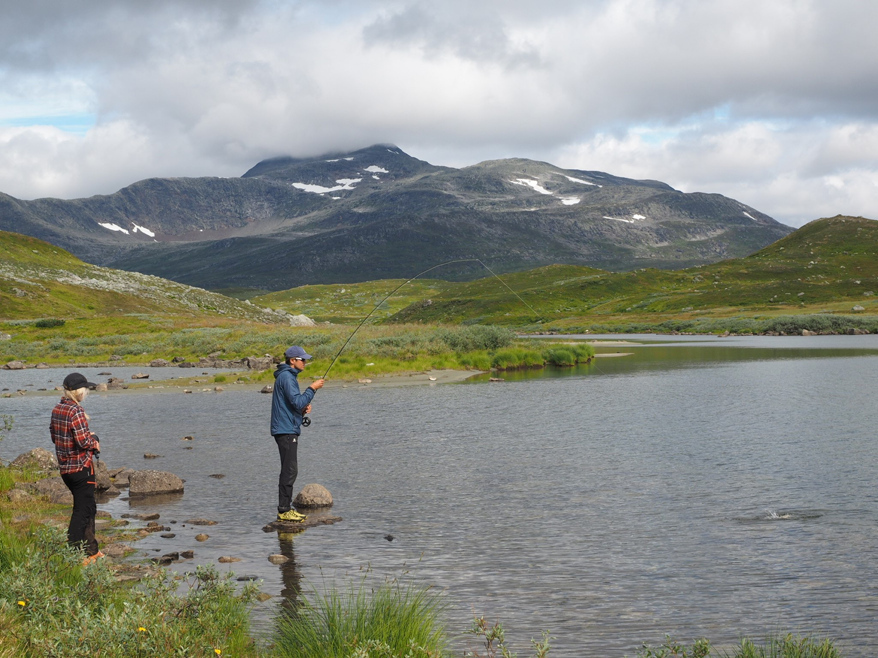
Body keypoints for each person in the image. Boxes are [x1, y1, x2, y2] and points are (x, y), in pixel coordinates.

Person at [50, 372, 104, 564]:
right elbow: (83, 442)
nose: (86, 392)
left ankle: (92, 551)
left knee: (88, 507)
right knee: (83, 510)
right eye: (85, 389)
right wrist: (94, 442)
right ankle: (75, 553)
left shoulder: (58, 408)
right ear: (79, 392)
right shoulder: (76, 411)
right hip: (81, 469)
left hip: (66, 469)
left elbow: (55, 436)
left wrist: (84, 437)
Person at [271, 346, 325, 522]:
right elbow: (296, 400)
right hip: (285, 430)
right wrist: (312, 388)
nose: (305, 362)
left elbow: (293, 405)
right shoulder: (287, 377)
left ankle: (285, 509)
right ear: (292, 360)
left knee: (289, 469)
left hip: (286, 428)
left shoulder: (287, 376)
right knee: (290, 470)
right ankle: (284, 510)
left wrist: (302, 410)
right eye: (302, 359)